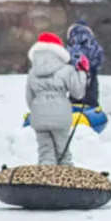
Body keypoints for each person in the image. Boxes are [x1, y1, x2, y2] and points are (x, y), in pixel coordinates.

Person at [25, 32, 88, 166]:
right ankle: (66, 183)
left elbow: (29, 98)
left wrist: (39, 109)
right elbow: (78, 93)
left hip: (39, 116)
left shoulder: (32, 73)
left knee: (45, 154)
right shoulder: (67, 69)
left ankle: (44, 182)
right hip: (61, 116)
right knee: (63, 154)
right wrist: (83, 72)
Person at [66, 20, 105, 108]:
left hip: (76, 81)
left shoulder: (72, 45)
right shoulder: (94, 45)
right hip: (91, 81)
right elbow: (99, 60)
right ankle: (91, 106)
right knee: (91, 94)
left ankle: (75, 106)